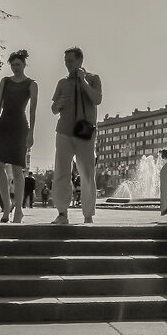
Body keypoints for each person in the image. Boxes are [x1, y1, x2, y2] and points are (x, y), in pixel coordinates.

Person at [0, 49, 37, 224]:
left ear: (24, 65)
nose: (15, 68)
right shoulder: (5, 81)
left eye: (18, 65)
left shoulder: (31, 84)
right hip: (4, 126)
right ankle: (6, 207)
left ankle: (19, 209)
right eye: (13, 65)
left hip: (20, 127)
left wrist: (31, 134)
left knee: (17, 168)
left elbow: (32, 111)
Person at [51, 46, 102, 225]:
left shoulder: (93, 78)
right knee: (61, 172)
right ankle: (62, 213)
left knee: (87, 173)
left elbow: (97, 99)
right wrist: (58, 105)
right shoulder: (62, 83)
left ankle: (88, 215)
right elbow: (53, 108)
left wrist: (83, 82)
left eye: (70, 61)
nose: (67, 65)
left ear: (80, 60)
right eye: (65, 61)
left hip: (84, 132)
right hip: (64, 131)